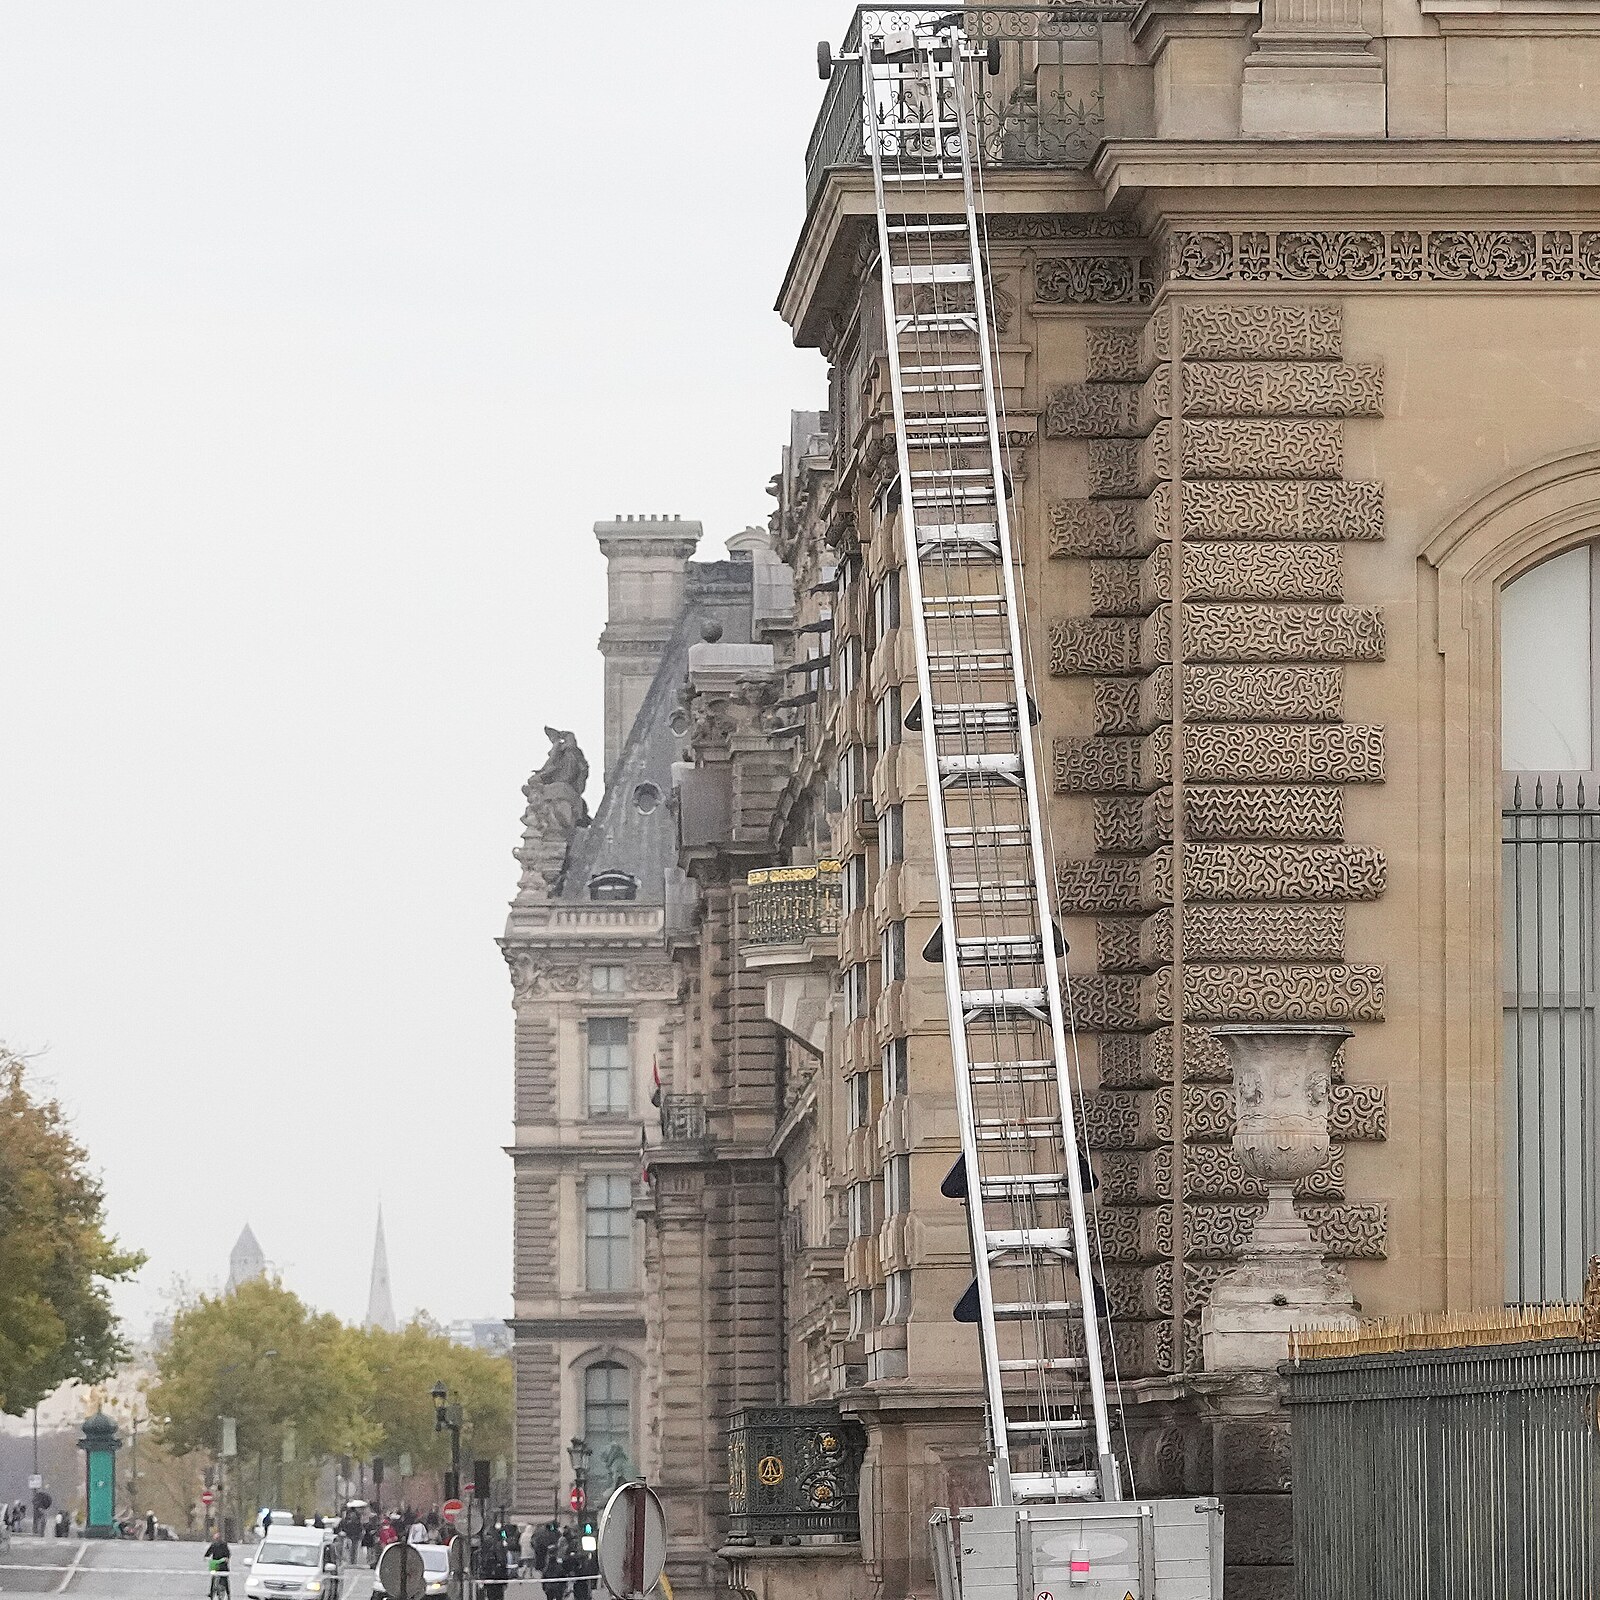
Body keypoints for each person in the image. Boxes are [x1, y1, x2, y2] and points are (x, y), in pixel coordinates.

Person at [204, 1532, 231, 1600]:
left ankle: (212, 1593)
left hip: (216, 1565)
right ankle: (228, 1594)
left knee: (215, 1578)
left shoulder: (214, 1545)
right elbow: (228, 1554)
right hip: (222, 1565)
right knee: (223, 1579)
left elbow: (208, 1554)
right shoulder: (223, 1545)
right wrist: (226, 1558)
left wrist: (206, 1557)